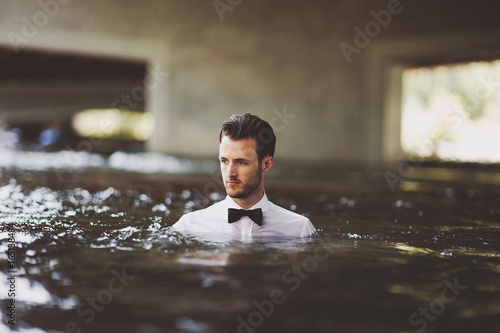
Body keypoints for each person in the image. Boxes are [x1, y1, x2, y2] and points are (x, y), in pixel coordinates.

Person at [172, 113, 316, 238]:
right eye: (224, 161)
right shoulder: (189, 226)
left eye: (241, 162)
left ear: (266, 164)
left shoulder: (300, 229)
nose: (230, 173)